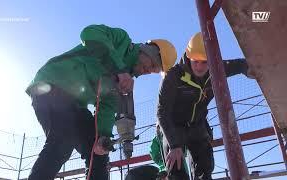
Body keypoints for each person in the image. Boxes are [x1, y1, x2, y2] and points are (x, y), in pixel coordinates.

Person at [26, 24, 177, 180]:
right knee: (62, 141)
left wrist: (103, 136)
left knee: (98, 153)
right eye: (151, 64)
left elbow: (106, 106)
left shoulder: (123, 81)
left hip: (75, 105)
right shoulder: (121, 40)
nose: (148, 71)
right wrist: (119, 68)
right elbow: (89, 33)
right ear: (147, 51)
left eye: (153, 71)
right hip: (51, 83)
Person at [157, 32, 252, 180]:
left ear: (211, 60)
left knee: (205, 169)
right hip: (173, 127)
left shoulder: (215, 69)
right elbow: (162, 113)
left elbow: (240, 64)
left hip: (197, 125)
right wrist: (174, 145)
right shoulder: (173, 77)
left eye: (205, 62)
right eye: (196, 61)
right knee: (176, 171)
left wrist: (249, 69)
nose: (200, 67)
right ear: (189, 56)